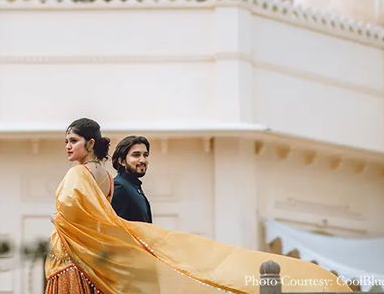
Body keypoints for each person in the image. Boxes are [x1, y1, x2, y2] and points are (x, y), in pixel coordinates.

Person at [45, 119, 350, 294]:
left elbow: (74, 215)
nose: (68, 146)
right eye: (136, 155)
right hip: (110, 265)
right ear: (121, 159)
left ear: (91, 143)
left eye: (73, 140)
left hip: (89, 263)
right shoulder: (115, 183)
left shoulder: (94, 178)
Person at [111, 135, 152, 223]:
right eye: (136, 155)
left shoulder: (134, 187)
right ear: (122, 161)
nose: (143, 160)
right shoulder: (119, 187)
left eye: (145, 155)